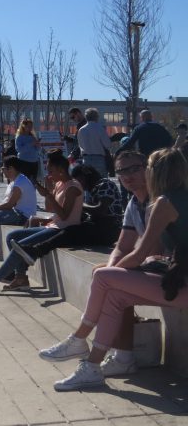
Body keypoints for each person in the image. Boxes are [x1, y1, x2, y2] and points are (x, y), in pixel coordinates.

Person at [38, 148, 188, 391]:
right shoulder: (177, 197)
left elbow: (141, 254)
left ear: (155, 171)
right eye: (122, 171)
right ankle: (94, 367)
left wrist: (111, 273)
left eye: (142, 168)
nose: (130, 175)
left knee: (103, 276)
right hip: (178, 280)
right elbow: (133, 249)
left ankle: (79, 339)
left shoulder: (164, 203)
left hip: (181, 284)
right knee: (116, 293)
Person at [0, 149, 83, 293]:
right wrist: (48, 191)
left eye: (51, 171)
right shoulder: (60, 184)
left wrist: (48, 194)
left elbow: (65, 216)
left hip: (63, 229)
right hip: (53, 225)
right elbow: (50, 209)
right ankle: (20, 277)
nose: (49, 175)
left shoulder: (73, 187)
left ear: (61, 170)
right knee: (12, 236)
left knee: (22, 244)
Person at [77, 108, 112, 177]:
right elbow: (108, 145)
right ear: (96, 117)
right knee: (101, 182)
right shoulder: (100, 128)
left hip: (86, 159)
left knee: (88, 183)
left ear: (86, 117)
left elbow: (80, 145)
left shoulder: (81, 130)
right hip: (99, 159)